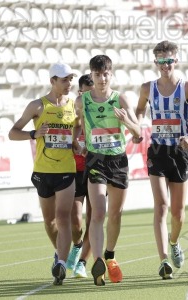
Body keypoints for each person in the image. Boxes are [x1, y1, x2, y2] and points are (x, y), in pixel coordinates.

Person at [135, 40, 188, 280]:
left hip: (179, 152)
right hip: (157, 150)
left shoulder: (186, 87)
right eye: (161, 61)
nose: (165, 65)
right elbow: (138, 111)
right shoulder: (147, 88)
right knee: (161, 206)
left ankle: (174, 241)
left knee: (177, 214)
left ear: (175, 61)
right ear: (155, 62)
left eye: (169, 61)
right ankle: (163, 259)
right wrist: (138, 123)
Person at [8, 62, 80, 285]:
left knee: (63, 217)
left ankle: (61, 263)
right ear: (52, 81)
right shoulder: (37, 106)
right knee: (49, 222)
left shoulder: (75, 106)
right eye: (64, 79)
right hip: (42, 171)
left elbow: (76, 135)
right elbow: (12, 133)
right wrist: (33, 133)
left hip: (66, 171)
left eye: (70, 79)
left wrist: (77, 145)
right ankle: (59, 253)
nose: (69, 83)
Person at [75, 55, 141, 286]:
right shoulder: (82, 101)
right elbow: (77, 123)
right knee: (98, 213)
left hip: (118, 160)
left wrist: (127, 121)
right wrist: (77, 142)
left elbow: (139, 133)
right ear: (91, 76)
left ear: (111, 74)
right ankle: (98, 261)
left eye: (105, 74)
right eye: (97, 75)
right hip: (96, 160)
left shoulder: (120, 99)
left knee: (115, 214)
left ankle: (111, 256)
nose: (101, 79)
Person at [67, 74, 95, 278]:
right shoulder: (73, 114)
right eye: (85, 93)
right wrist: (74, 143)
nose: (89, 97)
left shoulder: (103, 111)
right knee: (75, 219)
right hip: (76, 170)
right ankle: (77, 246)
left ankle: (82, 263)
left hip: (97, 169)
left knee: (95, 219)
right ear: (80, 93)